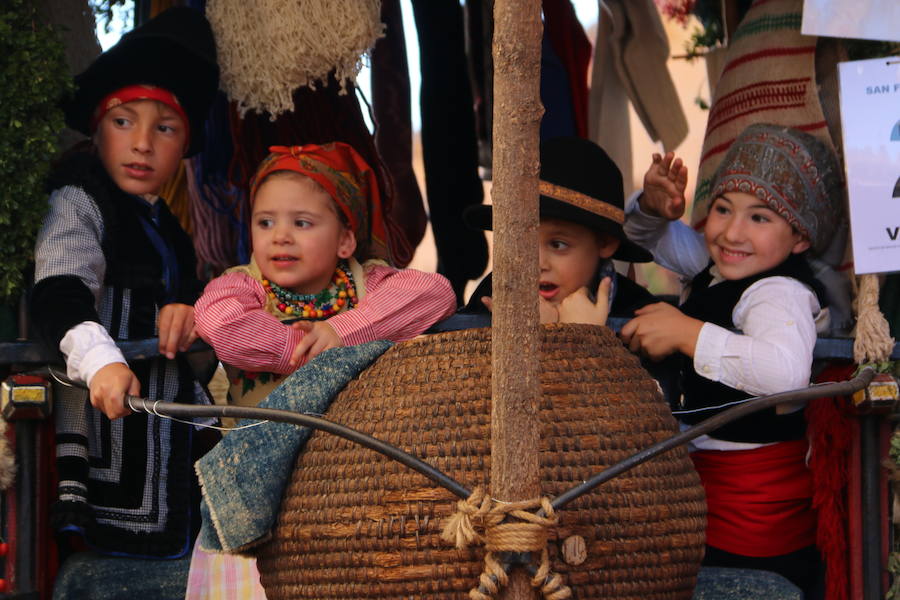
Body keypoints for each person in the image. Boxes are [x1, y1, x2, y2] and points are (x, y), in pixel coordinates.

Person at [185, 142, 456, 598]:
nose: (280, 236)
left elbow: (436, 293)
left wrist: (342, 331)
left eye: (302, 223)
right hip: (261, 490)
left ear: (345, 239)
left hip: (353, 485)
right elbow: (219, 321)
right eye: (265, 221)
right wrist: (297, 345)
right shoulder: (241, 286)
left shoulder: (370, 284)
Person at [30, 6, 219, 571]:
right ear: (95, 127)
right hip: (101, 425)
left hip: (161, 422)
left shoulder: (168, 227)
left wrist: (189, 312)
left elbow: (183, 297)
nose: (142, 143)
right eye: (123, 122)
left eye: (164, 128)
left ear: (185, 143)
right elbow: (59, 289)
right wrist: (101, 359)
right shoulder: (77, 201)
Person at [620, 123, 843, 596]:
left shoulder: (777, 292)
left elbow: (784, 373)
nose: (732, 232)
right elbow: (645, 237)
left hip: (756, 531)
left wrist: (688, 334)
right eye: (723, 209)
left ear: (800, 237)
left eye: (760, 218)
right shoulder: (718, 266)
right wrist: (653, 207)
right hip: (713, 505)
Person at [461, 136, 658, 325]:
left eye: (557, 244)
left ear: (605, 243)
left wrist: (578, 339)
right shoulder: (489, 299)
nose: (536, 264)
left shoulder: (640, 317)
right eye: (522, 244)